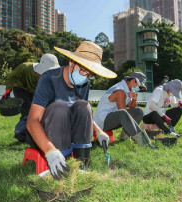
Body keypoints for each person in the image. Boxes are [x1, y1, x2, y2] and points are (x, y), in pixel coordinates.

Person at [26, 41, 116, 180]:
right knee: (59, 107)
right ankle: (60, 164)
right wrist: (50, 151)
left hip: (69, 133)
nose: (85, 76)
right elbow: (32, 121)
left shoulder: (84, 83)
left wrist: (98, 131)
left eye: (90, 74)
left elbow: (81, 114)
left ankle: (81, 166)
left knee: (84, 106)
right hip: (45, 135)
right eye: (83, 70)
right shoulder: (49, 79)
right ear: (71, 61)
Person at [2, 54, 60, 143]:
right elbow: (12, 77)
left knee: (38, 111)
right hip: (20, 88)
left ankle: (37, 133)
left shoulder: (49, 77)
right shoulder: (25, 67)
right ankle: (21, 133)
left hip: (35, 92)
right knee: (27, 111)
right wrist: (8, 90)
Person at [94, 72, 158, 149]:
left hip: (111, 118)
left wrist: (134, 99)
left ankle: (125, 138)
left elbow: (132, 106)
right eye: (139, 86)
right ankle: (144, 143)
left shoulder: (126, 89)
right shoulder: (120, 91)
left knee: (139, 111)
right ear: (134, 80)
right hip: (102, 122)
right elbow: (123, 112)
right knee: (123, 113)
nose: (139, 89)